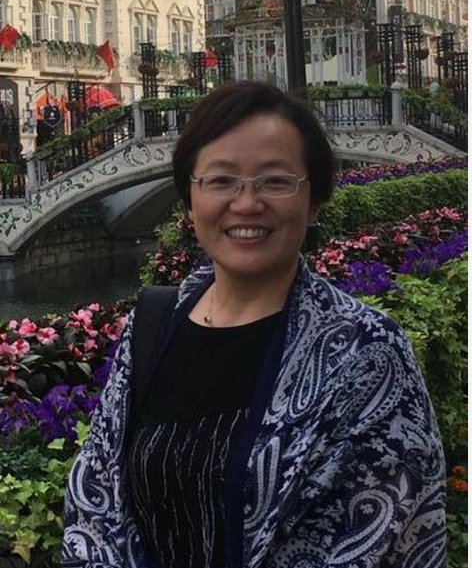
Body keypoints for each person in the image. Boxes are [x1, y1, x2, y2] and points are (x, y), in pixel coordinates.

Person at [62, 81, 446, 567]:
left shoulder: (366, 352)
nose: (246, 203)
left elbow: (375, 530)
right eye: (221, 180)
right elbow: (96, 501)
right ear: (189, 199)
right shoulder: (152, 325)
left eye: (275, 181)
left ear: (313, 200)